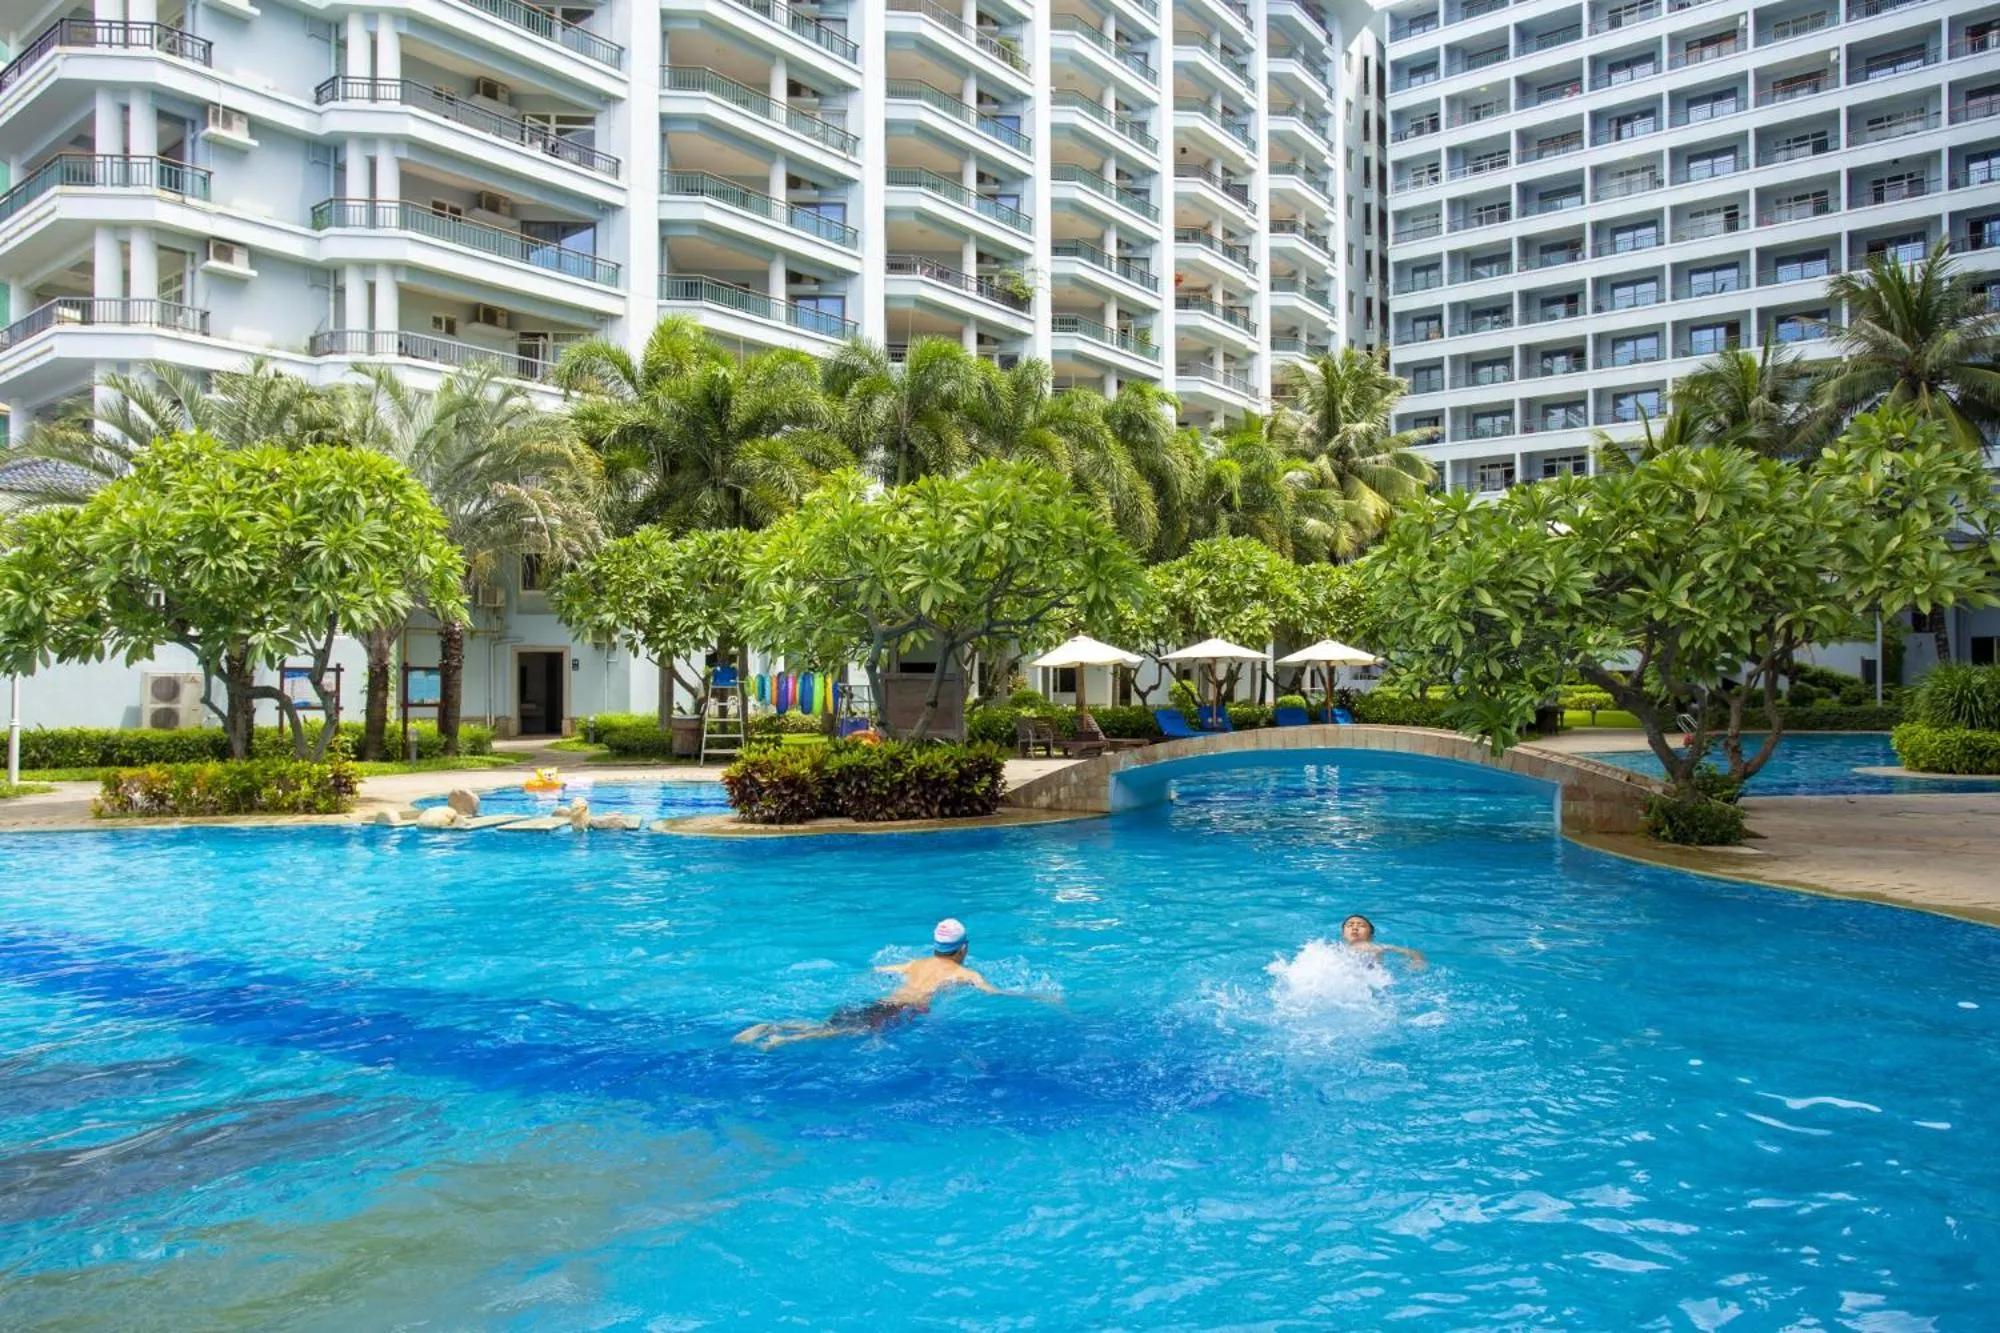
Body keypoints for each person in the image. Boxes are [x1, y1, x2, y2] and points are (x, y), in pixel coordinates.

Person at [734, 919, 1010, 1050]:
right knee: (843, 1032)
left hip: (880, 1002)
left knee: (827, 1024)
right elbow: (993, 992)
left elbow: (880, 969)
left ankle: (774, 1025)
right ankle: (782, 1039)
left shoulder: (915, 963)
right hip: (898, 1011)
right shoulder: (964, 973)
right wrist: (1026, 995)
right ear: (963, 948)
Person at [1340, 913, 1426, 969]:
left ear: (1371, 935)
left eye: (1361, 925)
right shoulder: (1337, 950)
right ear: (1343, 934)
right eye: (1350, 925)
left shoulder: (1377, 947)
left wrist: (1418, 961)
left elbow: (1414, 952)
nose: (1355, 928)